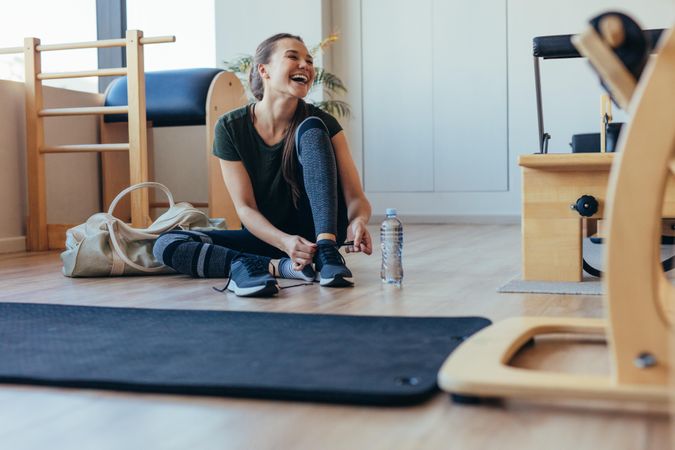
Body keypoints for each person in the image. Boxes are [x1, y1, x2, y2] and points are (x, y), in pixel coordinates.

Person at [153, 33, 372, 297]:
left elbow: (356, 198)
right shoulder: (230, 127)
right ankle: (275, 267)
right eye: (293, 56)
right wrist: (284, 242)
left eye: (309, 61)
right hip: (269, 239)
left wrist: (358, 221)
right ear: (263, 69)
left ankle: (325, 253)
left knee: (313, 128)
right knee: (166, 244)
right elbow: (244, 208)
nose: (306, 65)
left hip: (317, 238)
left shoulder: (321, 122)